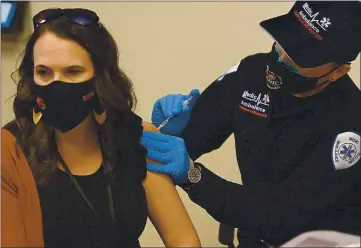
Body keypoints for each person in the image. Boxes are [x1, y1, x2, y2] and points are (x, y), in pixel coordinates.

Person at [140, 1, 361, 247]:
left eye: (301, 56)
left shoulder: (350, 123)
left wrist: (194, 177)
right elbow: (191, 140)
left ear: (338, 71)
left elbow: (280, 215)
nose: (282, 59)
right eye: (283, 42)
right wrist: (174, 132)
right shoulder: (250, 73)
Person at [1, 8, 201, 248]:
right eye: (44, 72)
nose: (57, 84)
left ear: (100, 77)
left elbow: (183, 239)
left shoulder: (134, 137)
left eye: (72, 72)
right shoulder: (10, 151)